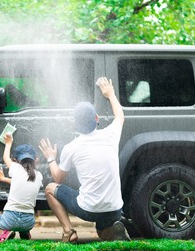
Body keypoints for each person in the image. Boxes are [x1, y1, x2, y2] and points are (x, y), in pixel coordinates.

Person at [39, 77, 130, 242]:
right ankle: (112, 229)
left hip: (89, 210)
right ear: (96, 119)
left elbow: (58, 178)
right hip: (115, 209)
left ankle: (68, 232)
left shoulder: (71, 147)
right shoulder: (110, 135)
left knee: (50, 188)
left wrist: (51, 158)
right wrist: (110, 94)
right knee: (101, 232)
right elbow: (120, 116)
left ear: (75, 124)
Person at [0, 133, 43, 242]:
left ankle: (3, 233)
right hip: (29, 221)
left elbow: (5, 157)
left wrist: (8, 142)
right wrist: (3, 179)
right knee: (24, 221)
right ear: (36, 160)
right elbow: (22, 184)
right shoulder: (39, 176)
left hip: (10, 219)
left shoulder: (15, 168)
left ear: (16, 160)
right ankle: (24, 231)